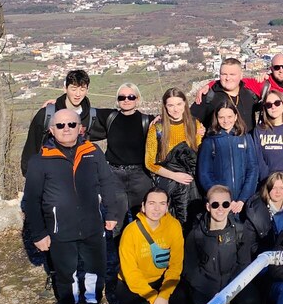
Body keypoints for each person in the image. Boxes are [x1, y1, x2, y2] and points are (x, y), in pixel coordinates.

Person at [24, 108, 125, 304]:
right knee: (66, 274)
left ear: (80, 128)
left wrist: (111, 214)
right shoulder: (40, 161)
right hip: (60, 229)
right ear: (52, 130)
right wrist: (39, 234)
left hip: (92, 225)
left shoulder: (92, 152)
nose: (66, 129)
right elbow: (31, 201)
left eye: (71, 124)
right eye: (60, 126)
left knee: (95, 269)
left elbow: (107, 183)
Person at [116, 187, 185, 304]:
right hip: (132, 284)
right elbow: (131, 274)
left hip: (160, 278)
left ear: (167, 207)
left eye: (162, 203)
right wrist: (155, 298)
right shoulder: (130, 232)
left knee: (181, 298)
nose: (156, 208)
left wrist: (164, 295)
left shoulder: (173, 226)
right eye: (152, 203)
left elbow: (175, 265)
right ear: (143, 206)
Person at [184, 185, 250, 304]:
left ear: (230, 205)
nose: (220, 208)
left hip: (231, 282)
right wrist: (214, 293)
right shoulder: (195, 234)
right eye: (215, 204)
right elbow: (189, 268)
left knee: (250, 301)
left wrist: (228, 293)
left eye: (225, 204)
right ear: (208, 206)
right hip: (206, 285)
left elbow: (243, 263)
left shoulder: (239, 230)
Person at [235, 173, 283, 304]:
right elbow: (246, 248)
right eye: (274, 187)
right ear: (267, 190)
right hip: (262, 264)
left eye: (281, 188)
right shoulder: (255, 212)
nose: (277, 191)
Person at [91, 83, 155, 221]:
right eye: (122, 97)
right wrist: (57, 104)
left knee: (143, 218)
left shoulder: (148, 120)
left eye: (131, 97)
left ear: (137, 99)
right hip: (114, 176)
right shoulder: (110, 117)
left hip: (141, 176)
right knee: (116, 220)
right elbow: (82, 112)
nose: (126, 100)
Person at [145, 87, 205, 225]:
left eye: (179, 104)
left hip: (192, 185)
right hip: (169, 184)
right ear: (165, 107)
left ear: (185, 104)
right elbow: (149, 163)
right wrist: (174, 176)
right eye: (170, 105)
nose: (175, 109)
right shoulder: (157, 128)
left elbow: (197, 155)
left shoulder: (194, 125)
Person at [21, 69, 97, 174]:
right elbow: (32, 146)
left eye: (82, 89)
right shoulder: (47, 114)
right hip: (49, 175)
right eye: (73, 89)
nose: (78, 94)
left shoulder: (91, 116)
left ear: (87, 90)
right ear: (65, 89)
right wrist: (30, 176)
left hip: (79, 176)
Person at [197, 102, 265, 213]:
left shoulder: (245, 138)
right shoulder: (210, 141)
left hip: (243, 203)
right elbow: (204, 174)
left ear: (236, 117)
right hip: (220, 205)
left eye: (229, 116)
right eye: (221, 117)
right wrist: (222, 198)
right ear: (216, 118)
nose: (226, 121)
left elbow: (253, 169)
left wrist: (243, 199)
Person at [192, 57, 259, 132]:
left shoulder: (250, 94)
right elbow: (190, 120)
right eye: (224, 74)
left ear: (241, 75)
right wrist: (198, 130)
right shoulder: (208, 96)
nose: (228, 78)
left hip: (247, 142)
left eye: (232, 74)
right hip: (216, 143)